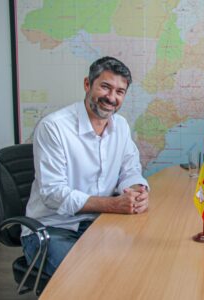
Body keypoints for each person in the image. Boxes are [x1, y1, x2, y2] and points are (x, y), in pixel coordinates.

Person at [21, 56, 150, 276]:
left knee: (139, 267)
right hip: (53, 228)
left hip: (101, 224)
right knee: (87, 278)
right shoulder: (54, 127)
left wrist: (137, 191)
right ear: (87, 84)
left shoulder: (120, 126)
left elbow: (130, 170)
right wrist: (113, 205)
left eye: (119, 92)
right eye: (105, 87)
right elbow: (53, 194)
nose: (111, 98)